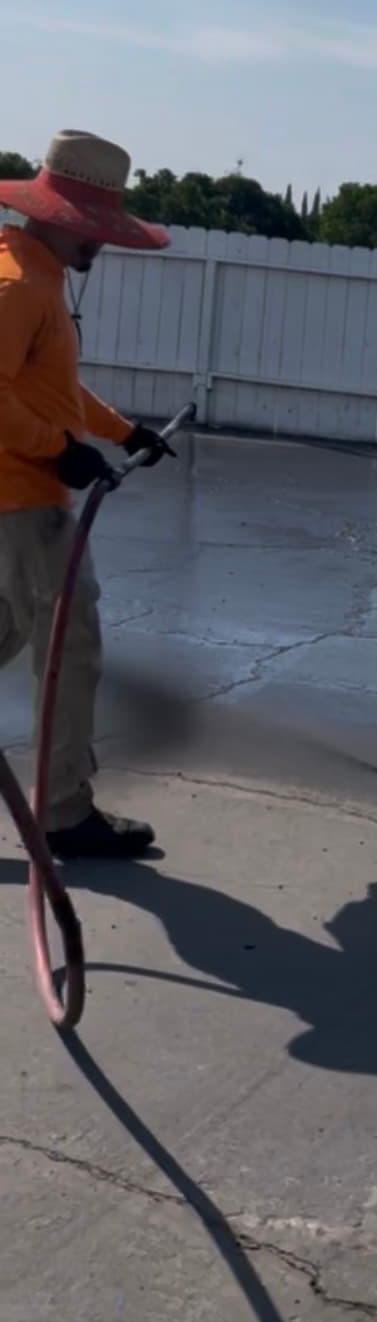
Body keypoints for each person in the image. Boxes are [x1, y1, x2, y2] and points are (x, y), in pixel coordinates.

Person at [0, 130, 174, 859]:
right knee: (70, 649)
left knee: (5, 633)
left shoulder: (34, 274)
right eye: (95, 231)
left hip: (23, 499)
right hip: (23, 505)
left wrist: (120, 429)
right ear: (60, 215)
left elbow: (53, 389)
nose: (100, 246)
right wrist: (58, 451)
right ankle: (64, 811)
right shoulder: (16, 283)